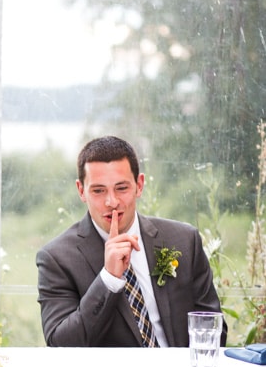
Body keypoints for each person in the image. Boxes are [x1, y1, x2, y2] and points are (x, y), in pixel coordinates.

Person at [37, 136, 225, 347]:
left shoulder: (184, 240)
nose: (112, 202)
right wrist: (108, 279)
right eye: (98, 190)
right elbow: (61, 344)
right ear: (81, 191)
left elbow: (214, 328)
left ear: (139, 185)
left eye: (121, 188)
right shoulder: (56, 258)